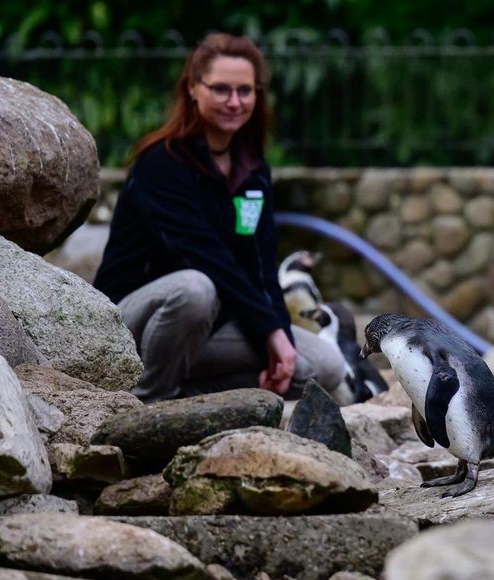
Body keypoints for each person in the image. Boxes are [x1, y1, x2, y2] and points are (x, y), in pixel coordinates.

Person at [94, 33, 346, 403]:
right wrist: (268, 332)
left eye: (245, 91)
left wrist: (282, 341)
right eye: (221, 89)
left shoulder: (253, 170)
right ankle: (146, 402)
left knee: (324, 366)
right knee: (196, 288)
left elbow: (261, 267)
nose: (234, 102)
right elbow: (206, 256)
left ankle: (189, 398)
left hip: (209, 327)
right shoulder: (162, 163)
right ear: (193, 89)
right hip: (133, 322)